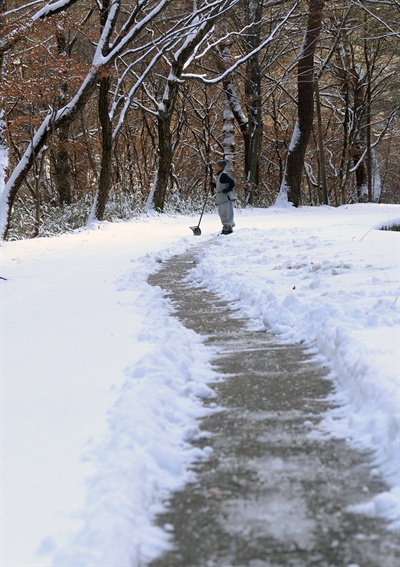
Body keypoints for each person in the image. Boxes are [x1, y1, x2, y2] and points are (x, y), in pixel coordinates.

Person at [210, 159, 237, 234]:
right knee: (224, 212)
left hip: (225, 197)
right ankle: (228, 226)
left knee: (224, 212)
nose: (216, 167)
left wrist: (228, 189)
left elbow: (232, 182)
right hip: (222, 197)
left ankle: (227, 227)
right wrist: (214, 185)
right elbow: (221, 186)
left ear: (221, 167)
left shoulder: (223, 175)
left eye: (217, 166)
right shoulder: (220, 175)